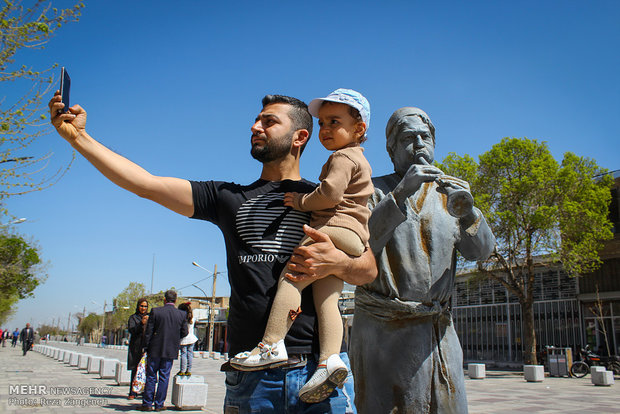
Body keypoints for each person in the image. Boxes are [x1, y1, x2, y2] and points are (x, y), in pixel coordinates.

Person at [49, 92, 376, 412]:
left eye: (268, 121)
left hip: (317, 372)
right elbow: (145, 184)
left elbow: (368, 269)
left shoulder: (324, 199)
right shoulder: (225, 197)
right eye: (256, 120)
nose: (254, 126)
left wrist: (340, 263)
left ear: (299, 137)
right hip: (250, 377)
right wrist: (79, 138)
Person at [349, 107, 496, 413]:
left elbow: (481, 253)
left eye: (424, 137)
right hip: (383, 335)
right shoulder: (370, 191)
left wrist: (469, 211)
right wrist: (401, 193)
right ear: (391, 148)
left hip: (437, 332)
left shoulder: (449, 194)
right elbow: (358, 249)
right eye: (407, 138)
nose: (418, 144)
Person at [231, 89, 373, 404]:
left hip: (332, 228)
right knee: (327, 300)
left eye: (334, 122)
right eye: (322, 123)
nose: (325, 130)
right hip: (352, 237)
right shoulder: (360, 159)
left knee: (292, 277)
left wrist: (301, 201)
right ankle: (329, 361)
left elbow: (331, 194)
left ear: (359, 129)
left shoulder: (342, 157)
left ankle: (270, 345)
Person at [141, 290, 188, 411]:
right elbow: (185, 332)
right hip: (170, 350)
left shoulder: (156, 311)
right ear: (175, 300)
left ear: (164, 299)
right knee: (164, 376)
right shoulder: (181, 314)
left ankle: (147, 404)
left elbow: (149, 332)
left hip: (154, 349)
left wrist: (145, 347)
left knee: (151, 376)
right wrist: (174, 338)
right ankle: (159, 404)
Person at [127, 297, 149, 400]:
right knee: (135, 369)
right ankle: (132, 391)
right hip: (136, 347)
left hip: (146, 347)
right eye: (142, 306)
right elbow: (132, 330)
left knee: (146, 370)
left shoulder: (150, 317)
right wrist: (141, 324)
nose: (143, 308)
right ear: (138, 306)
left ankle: (145, 392)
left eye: (145, 306)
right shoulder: (133, 318)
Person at [176, 302, 198, 376]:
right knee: (190, 354)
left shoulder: (181, 319)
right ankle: (189, 370)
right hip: (192, 338)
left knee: (183, 354)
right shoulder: (193, 319)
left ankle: (182, 370)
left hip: (184, 339)